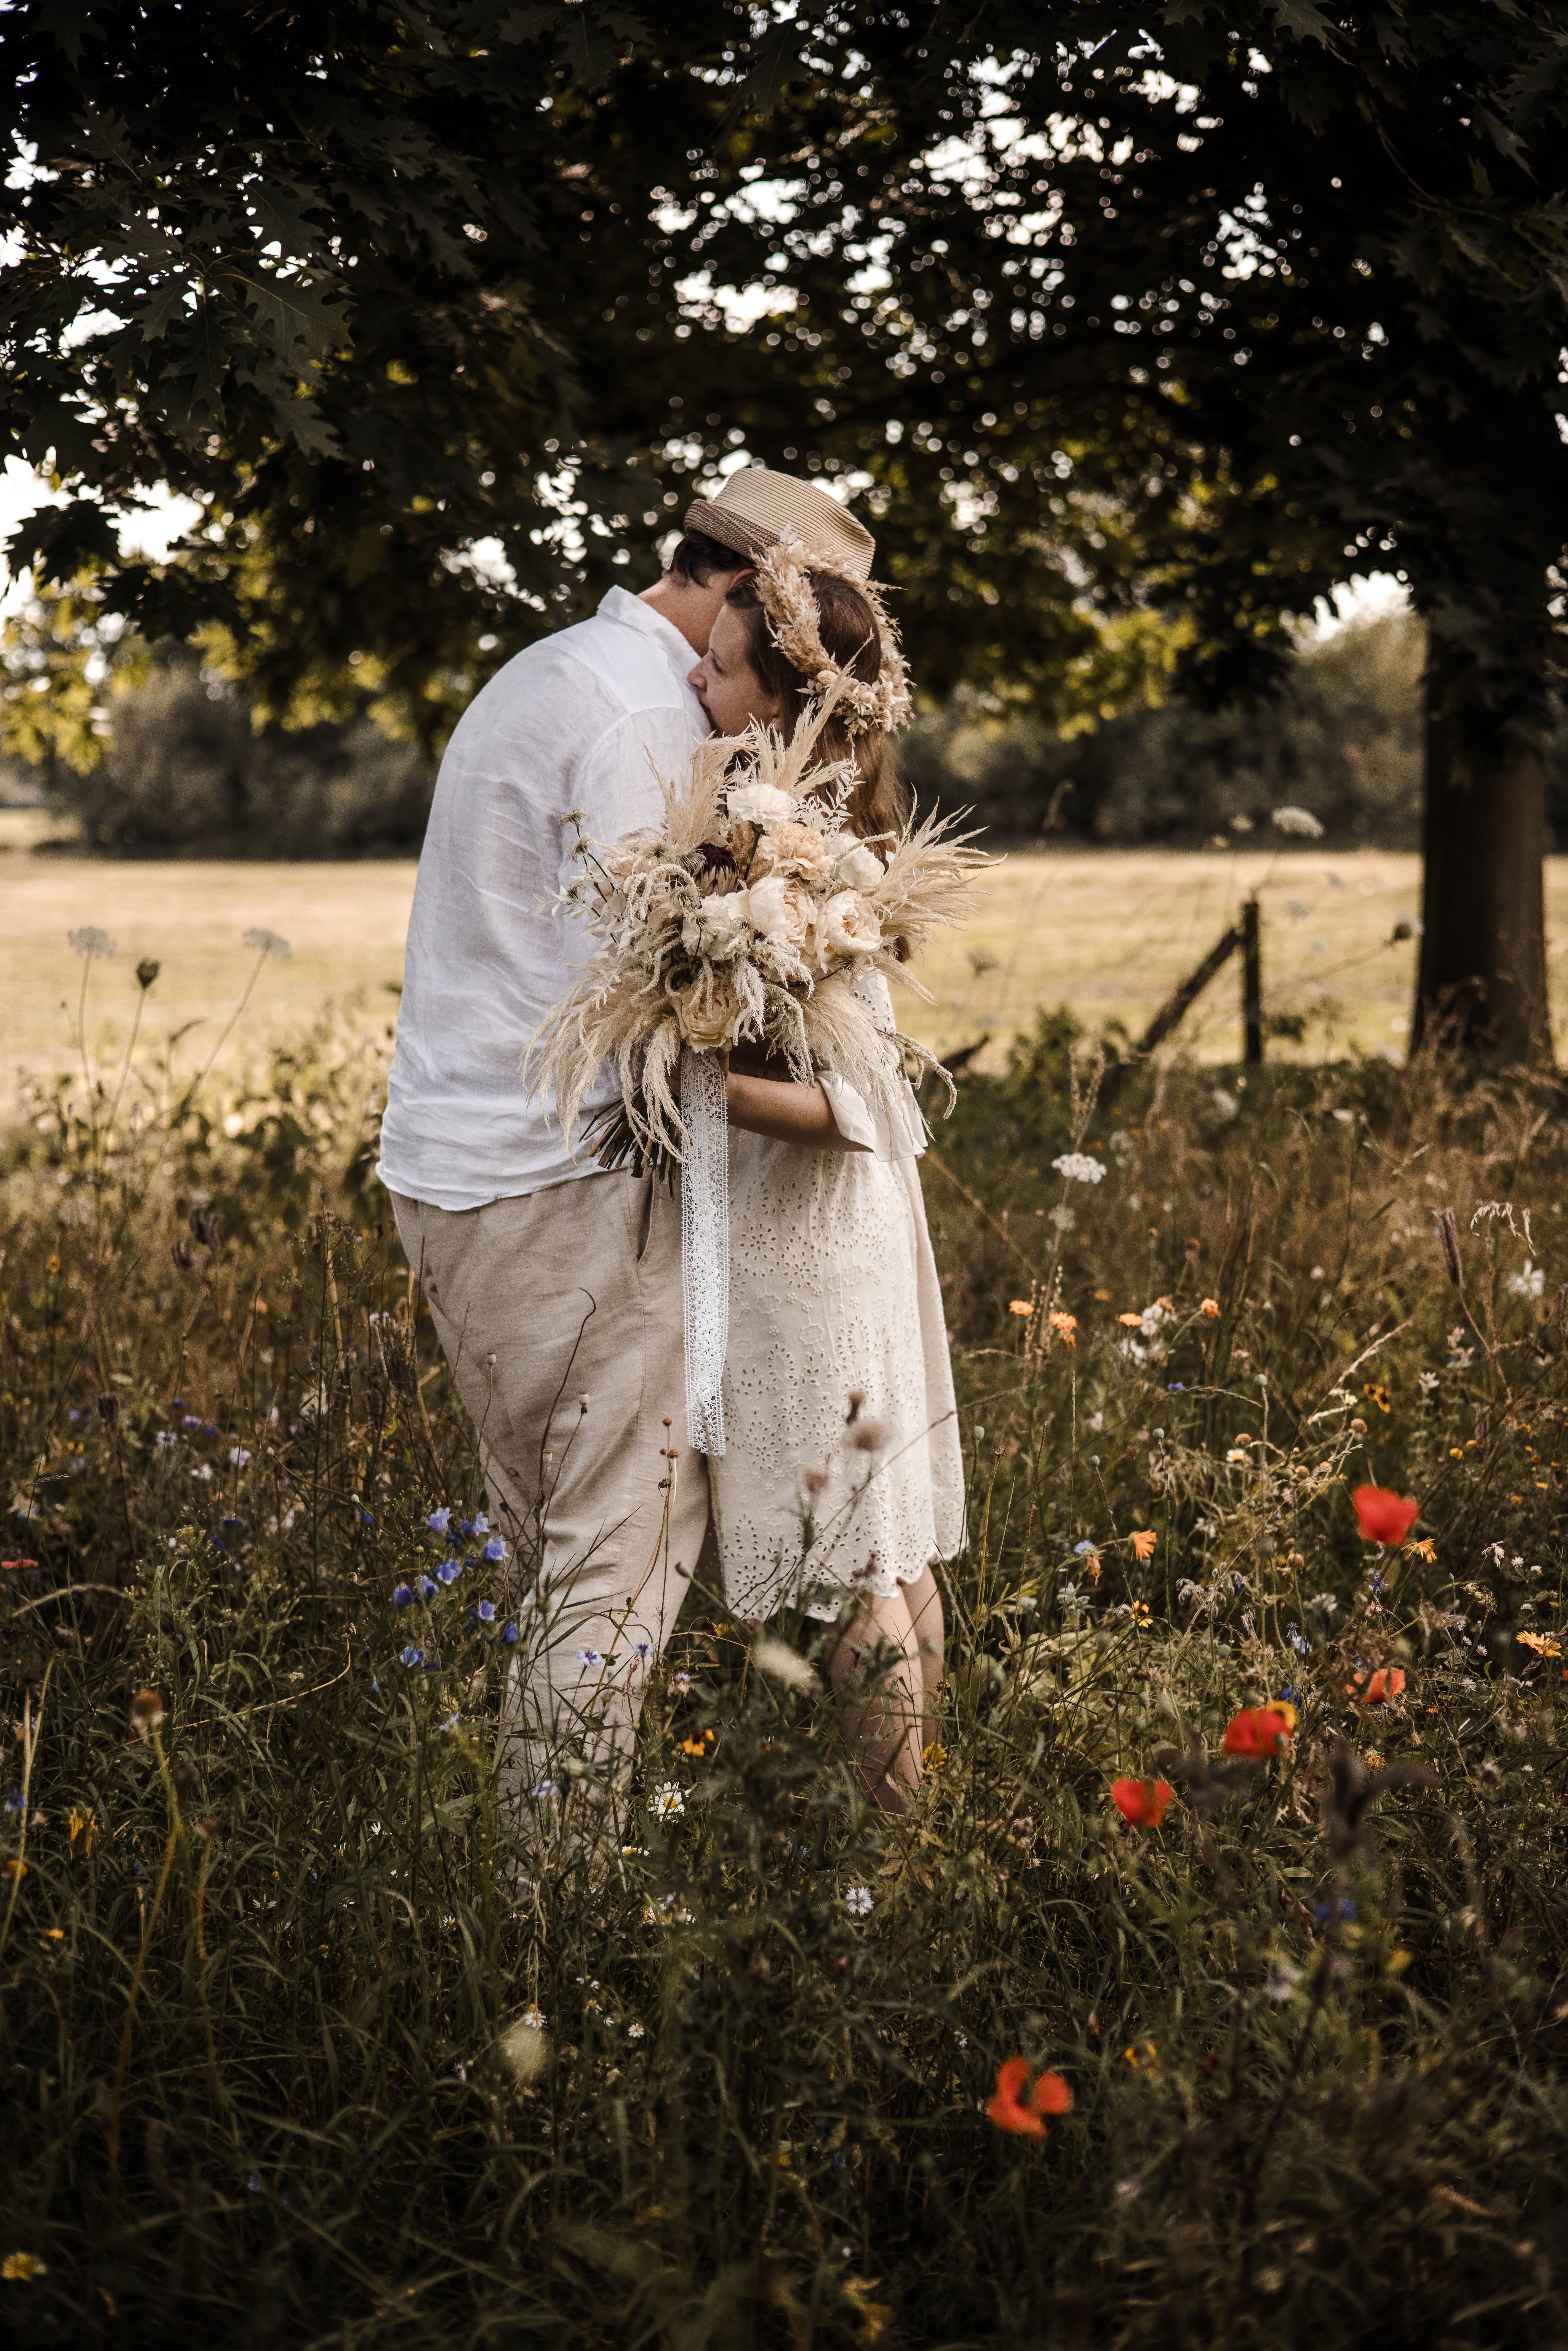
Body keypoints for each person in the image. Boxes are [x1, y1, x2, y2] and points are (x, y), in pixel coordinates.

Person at [376, 466, 888, 1826]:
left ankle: (513, 1860)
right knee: (619, 1545)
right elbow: (668, 983)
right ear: (753, 594)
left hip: (456, 1166)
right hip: (569, 1180)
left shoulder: (553, 668)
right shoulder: (645, 716)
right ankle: (556, 1900)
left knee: (548, 1542)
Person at [685, 538, 965, 1812]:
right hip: (835, 1230)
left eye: (721, 664)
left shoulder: (790, 853)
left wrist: (691, 1085)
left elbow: (867, 1105)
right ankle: (912, 1837)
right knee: (884, 1547)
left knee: (857, 1563)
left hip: (806, 1236)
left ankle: (890, 1864)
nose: (696, 678)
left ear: (785, 696)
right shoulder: (802, 829)